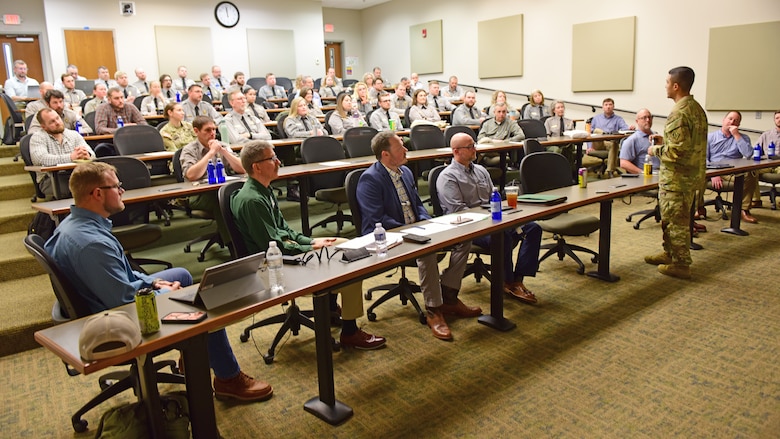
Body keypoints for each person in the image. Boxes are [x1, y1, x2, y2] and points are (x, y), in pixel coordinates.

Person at [44, 161, 272, 401]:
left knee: (182, 276)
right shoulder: (91, 244)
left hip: (110, 294)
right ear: (98, 193)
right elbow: (122, 300)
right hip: (114, 317)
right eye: (116, 186)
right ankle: (228, 379)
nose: (122, 191)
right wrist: (169, 296)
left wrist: (153, 284)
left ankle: (191, 352)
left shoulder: (76, 224)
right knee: (203, 303)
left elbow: (124, 275)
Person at [231, 141, 387, 350]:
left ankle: (331, 311)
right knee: (350, 268)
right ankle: (350, 331)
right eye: (271, 159)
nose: (278, 162)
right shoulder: (252, 200)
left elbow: (285, 230)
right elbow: (273, 246)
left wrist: (312, 241)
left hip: (285, 251)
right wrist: (310, 248)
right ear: (256, 167)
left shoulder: (265, 190)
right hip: (272, 264)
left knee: (347, 246)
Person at [356, 131, 481, 341]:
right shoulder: (370, 179)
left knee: (463, 236)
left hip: (417, 229)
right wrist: (411, 229)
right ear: (385, 154)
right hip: (389, 236)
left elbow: (418, 205)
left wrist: (425, 222)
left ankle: (449, 295)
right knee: (428, 251)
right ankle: (434, 309)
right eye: (400, 148)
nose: (406, 150)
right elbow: (375, 219)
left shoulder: (404, 171)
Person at [437, 132, 542, 304]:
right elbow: (458, 211)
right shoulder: (448, 176)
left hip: (492, 219)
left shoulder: (481, 170)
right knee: (502, 235)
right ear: (456, 151)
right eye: (469, 147)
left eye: (474, 145)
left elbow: (494, 196)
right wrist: (491, 218)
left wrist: (507, 213)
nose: (474, 149)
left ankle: (518, 279)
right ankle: (507, 282)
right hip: (467, 227)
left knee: (532, 228)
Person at [645, 66, 708, 280]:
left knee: (676, 222)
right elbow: (688, 144)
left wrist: (655, 149)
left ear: (675, 85)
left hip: (677, 179)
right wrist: (667, 142)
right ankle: (669, 253)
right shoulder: (696, 109)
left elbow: (676, 152)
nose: (664, 86)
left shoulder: (678, 113)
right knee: (673, 218)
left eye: (666, 82)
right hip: (690, 176)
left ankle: (681, 264)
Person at [180, 116, 246, 242]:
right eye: (208, 130)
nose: (212, 133)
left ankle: (249, 238)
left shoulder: (222, 146)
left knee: (243, 195)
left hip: (222, 187)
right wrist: (211, 153)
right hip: (199, 195)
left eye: (214, 130)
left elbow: (242, 168)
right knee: (220, 199)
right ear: (196, 131)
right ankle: (232, 243)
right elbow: (191, 175)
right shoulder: (189, 150)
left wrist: (223, 151)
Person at [29, 108, 94, 198]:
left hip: (76, 174)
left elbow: (91, 153)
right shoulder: (37, 137)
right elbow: (41, 158)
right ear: (43, 126)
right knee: (79, 188)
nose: (58, 122)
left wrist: (87, 154)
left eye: (58, 118)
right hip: (51, 179)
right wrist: (71, 157)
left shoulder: (74, 134)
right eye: (52, 122)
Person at [706, 111, 758, 224]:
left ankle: (743, 209)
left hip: (733, 172)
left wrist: (736, 135)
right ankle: (698, 208)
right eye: (730, 119)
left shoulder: (743, 138)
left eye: (736, 121)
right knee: (693, 175)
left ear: (738, 125)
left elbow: (748, 154)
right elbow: (703, 158)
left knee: (751, 173)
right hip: (714, 170)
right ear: (723, 120)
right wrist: (713, 173)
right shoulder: (710, 137)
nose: (732, 122)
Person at [587, 98, 635, 177]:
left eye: (610, 105)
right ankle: (605, 134)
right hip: (598, 143)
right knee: (596, 130)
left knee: (614, 144)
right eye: (606, 105)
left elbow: (625, 129)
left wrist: (630, 128)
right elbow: (589, 134)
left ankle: (609, 171)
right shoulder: (596, 118)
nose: (608, 107)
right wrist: (589, 147)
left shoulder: (618, 119)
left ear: (613, 106)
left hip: (610, 143)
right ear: (603, 107)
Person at [27, 89, 92, 135]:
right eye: (55, 102)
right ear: (47, 104)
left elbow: (88, 129)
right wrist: (53, 133)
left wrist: (70, 134)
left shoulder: (71, 114)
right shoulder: (41, 116)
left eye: (61, 102)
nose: (59, 105)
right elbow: (32, 133)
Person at [619, 109, 661, 174]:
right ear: (637, 121)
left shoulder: (657, 137)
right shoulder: (632, 140)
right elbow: (623, 163)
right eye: (644, 118)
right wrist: (642, 173)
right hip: (647, 175)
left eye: (649, 117)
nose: (648, 120)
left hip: (663, 173)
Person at [752, 111, 780, 207]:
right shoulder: (766, 135)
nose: (779, 120)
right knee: (752, 171)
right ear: (774, 120)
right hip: (767, 164)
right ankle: (756, 200)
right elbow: (756, 149)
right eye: (777, 118)